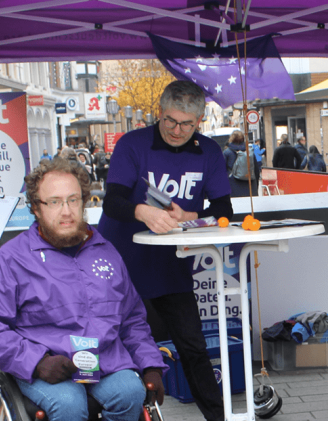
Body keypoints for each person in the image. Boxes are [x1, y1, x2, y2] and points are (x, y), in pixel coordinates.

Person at [0, 158, 167, 421]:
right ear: (36, 208)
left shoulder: (106, 252)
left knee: (131, 391)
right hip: (47, 364)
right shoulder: (12, 259)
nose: (66, 211)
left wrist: (150, 363)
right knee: (69, 403)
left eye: (73, 200)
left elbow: (131, 318)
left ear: (84, 202)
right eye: (54, 201)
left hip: (104, 360)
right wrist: (37, 362)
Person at [99, 80, 232, 421]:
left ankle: (218, 417)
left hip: (171, 267)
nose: (177, 130)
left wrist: (191, 217)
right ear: (159, 112)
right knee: (114, 348)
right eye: (170, 121)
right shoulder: (133, 144)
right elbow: (112, 201)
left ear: (200, 120)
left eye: (187, 124)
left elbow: (223, 210)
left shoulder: (209, 151)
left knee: (193, 347)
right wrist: (143, 211)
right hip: (121, 265)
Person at [223, 130, 257, 197]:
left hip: (232, 185)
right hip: (250, 186)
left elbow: (221, 171)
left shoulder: (227, 152)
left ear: (231, 138)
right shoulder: (249, 152)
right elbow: (256, 170)